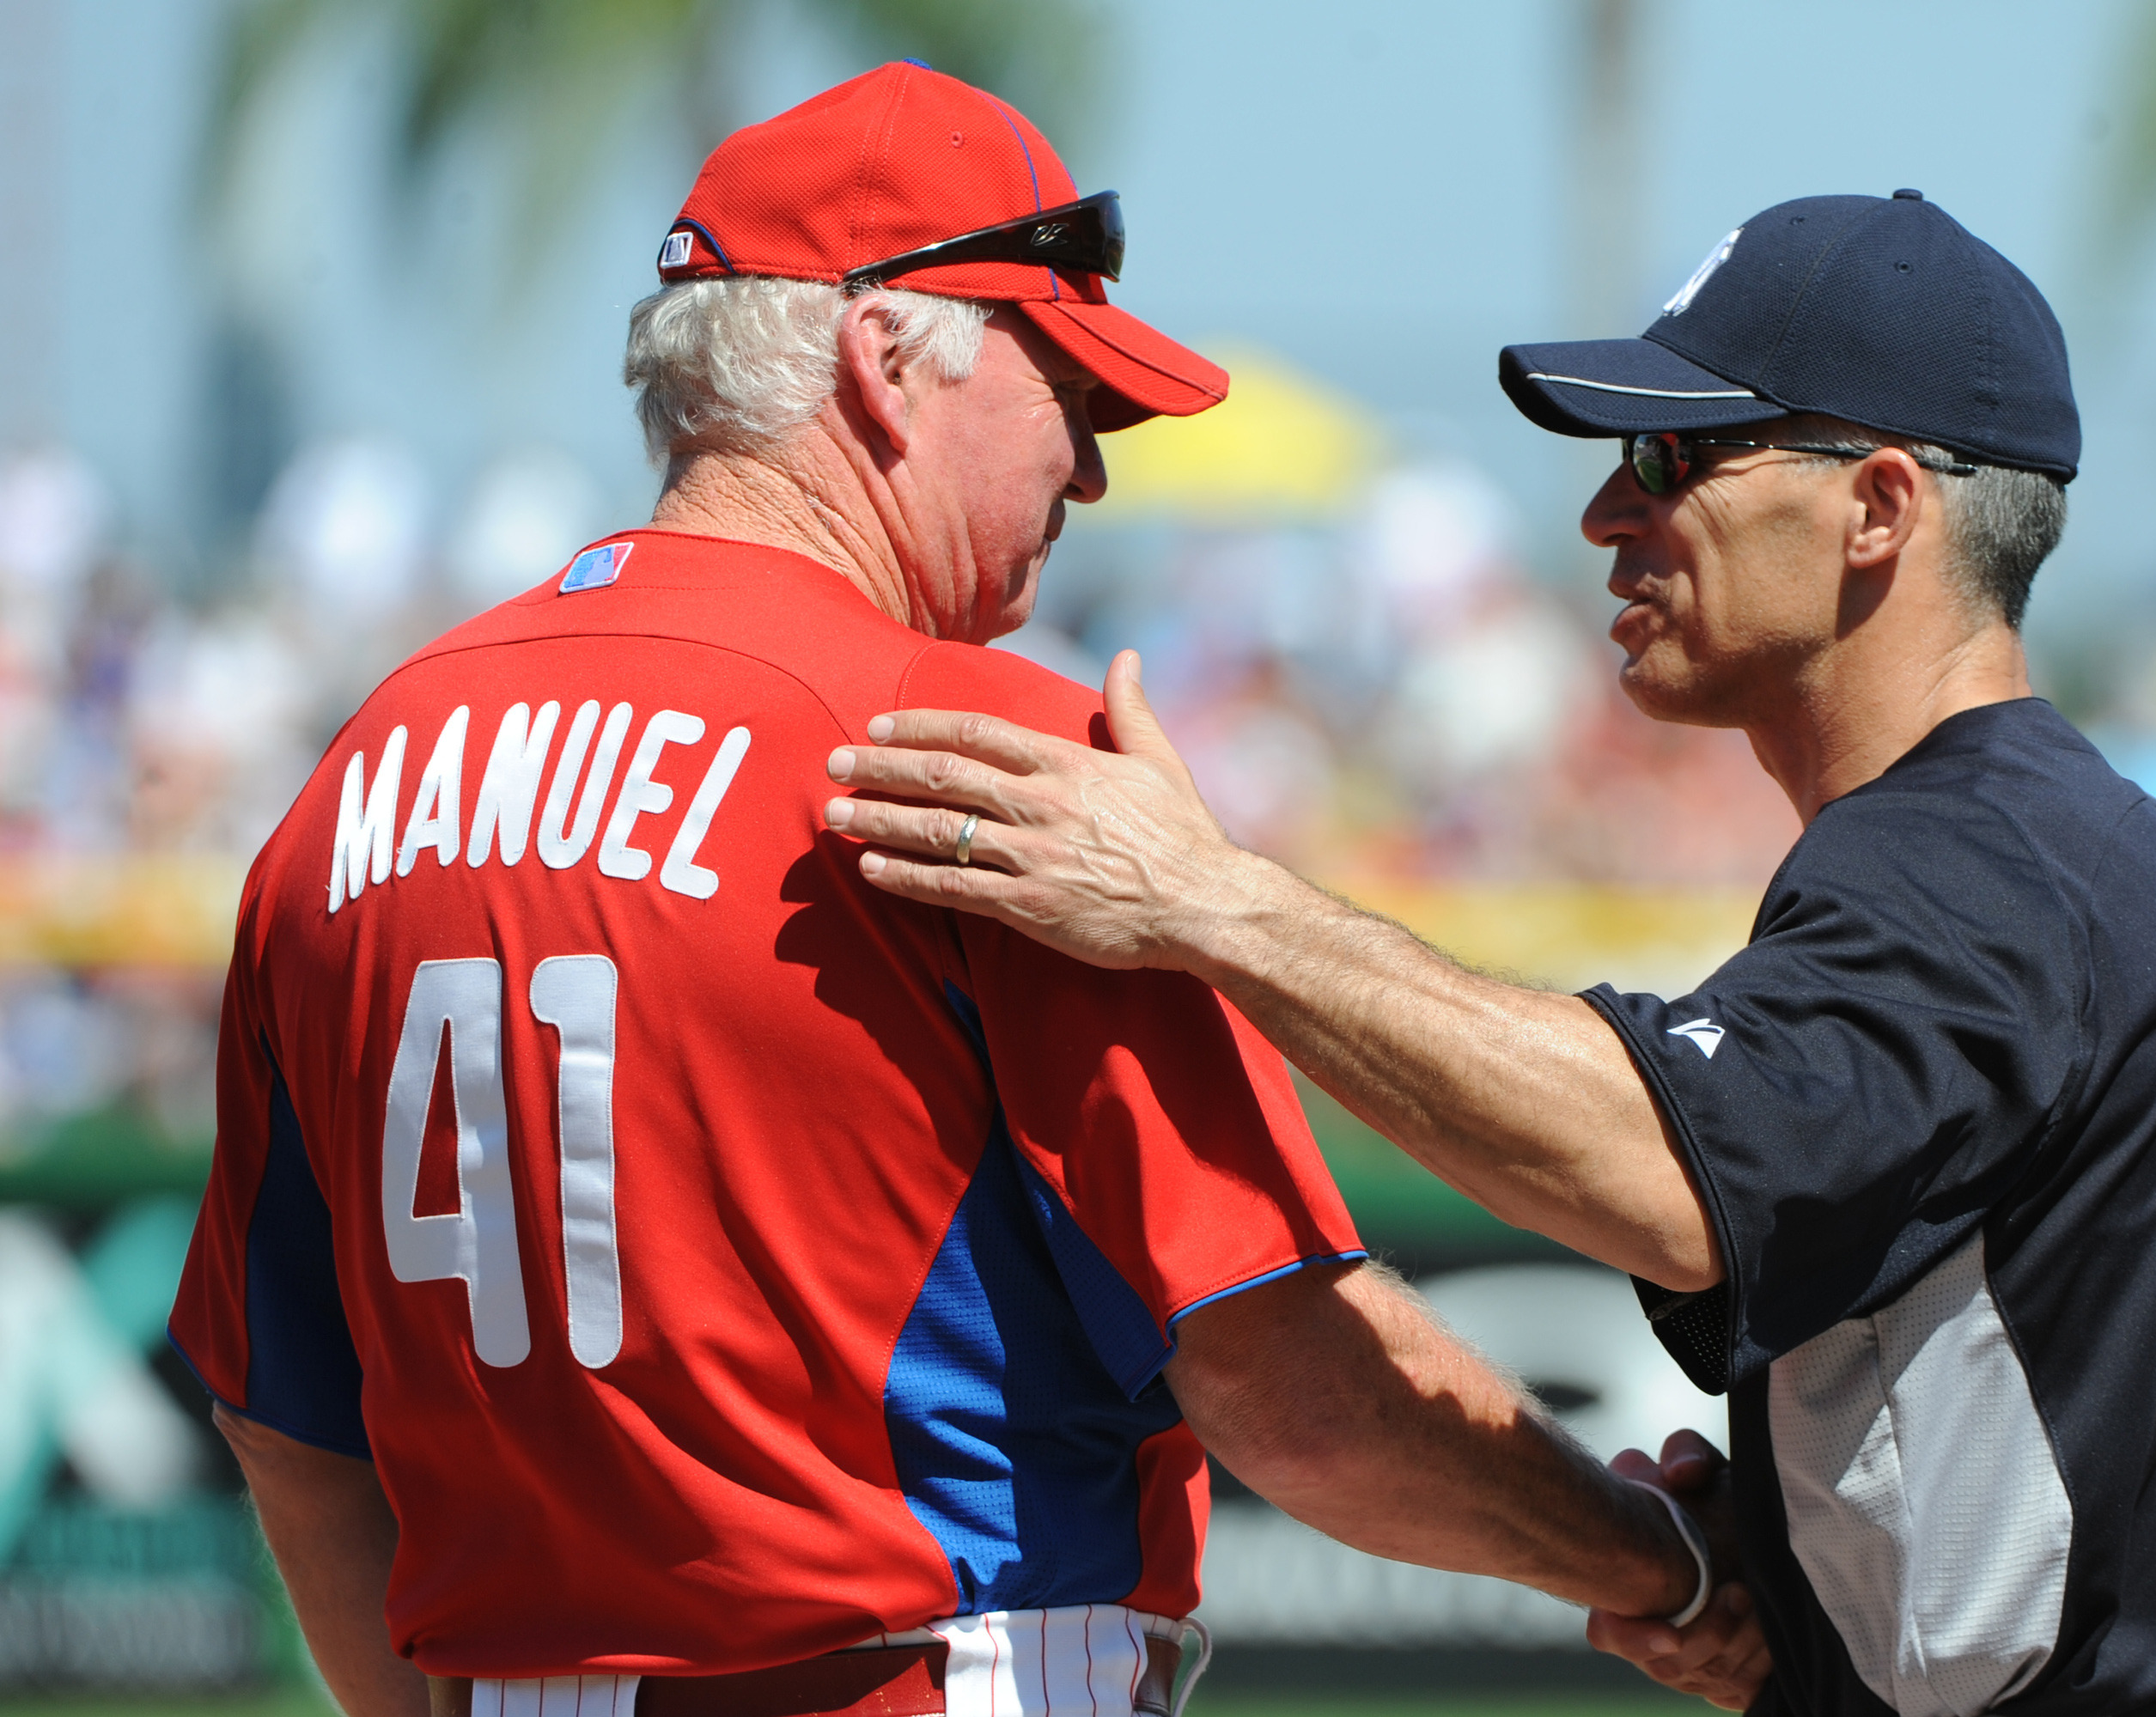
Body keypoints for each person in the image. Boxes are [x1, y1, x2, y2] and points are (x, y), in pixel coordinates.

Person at [165, 64, 1752, 1717]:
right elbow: (1295, 1395)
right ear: (884, 358)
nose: (1092, 473)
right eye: (1070, 388)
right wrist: (1669, 1565)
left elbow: (292, 1426)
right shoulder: (984, 762)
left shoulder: (362, 774)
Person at [825, 190, 2156, 1717]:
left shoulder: (1967, 858)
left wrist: (1210, 901)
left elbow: (1668, 1174)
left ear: (1880, 507)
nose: (1608, 514)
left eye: (1675, 456)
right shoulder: (2064, 835)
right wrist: (1791, 1558)